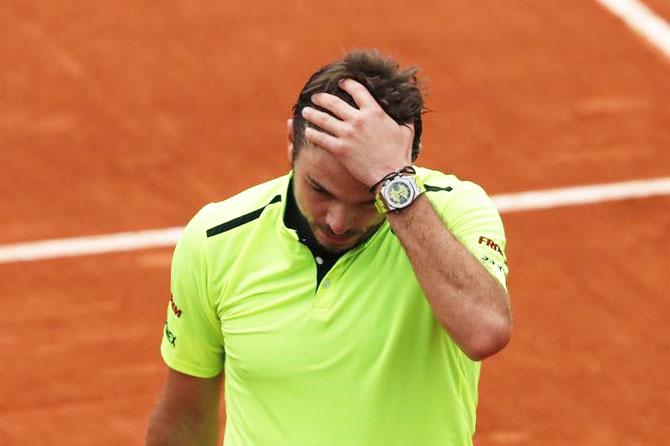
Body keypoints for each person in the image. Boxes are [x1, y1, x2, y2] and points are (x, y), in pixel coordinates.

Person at [146, 49, 511, 446]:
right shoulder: (217, 239)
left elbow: (485, 331)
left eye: (365, 199)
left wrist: (391, 185)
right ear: (291, 141)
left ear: (405, 165)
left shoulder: (451, 213)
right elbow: (185, 417)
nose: (338, 221)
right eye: (320, 189)